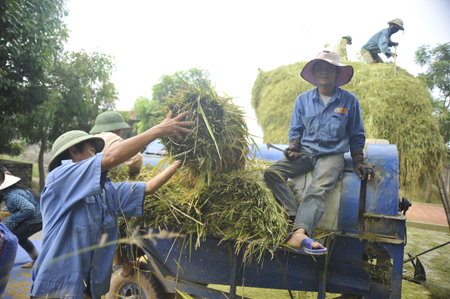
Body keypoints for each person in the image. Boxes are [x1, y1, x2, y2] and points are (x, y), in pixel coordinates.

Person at [30, 110, 194, 299]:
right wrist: (159, 130)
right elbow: (111, 159)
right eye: (93, 150)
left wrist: (180, 161)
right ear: (74, 152)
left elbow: (148, 187)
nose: (97, 156)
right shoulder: (59, 178)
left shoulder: (104, 192)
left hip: (87, 290)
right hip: (56, 288)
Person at [264, 50, 374, 255]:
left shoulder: (350, 101)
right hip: (306, 152)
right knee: (272, 173)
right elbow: (296, 131)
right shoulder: (302, 100)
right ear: (314, 73)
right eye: (320, 68)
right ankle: (293, 215)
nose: (324, 72)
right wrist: (293, 149)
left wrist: (358, 161)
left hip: (331, 155)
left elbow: (357, 135)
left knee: (318, 188)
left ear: (336, 73)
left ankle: (299, 233)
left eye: (329, 68)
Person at [0, 166, 42, 268]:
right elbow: (17, 207)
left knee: (10, 237)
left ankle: (4, 264)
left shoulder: (12, 196)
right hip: (38, 218)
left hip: (36, 219)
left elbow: (28, 208)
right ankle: (37, 260)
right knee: (21, 238)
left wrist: (9, 221)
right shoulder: (13, 191)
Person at [89, 111, 143, 176]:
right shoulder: (111, 137)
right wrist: (133, 172)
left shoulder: (89, 139)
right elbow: (136, 158)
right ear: (116, 130)